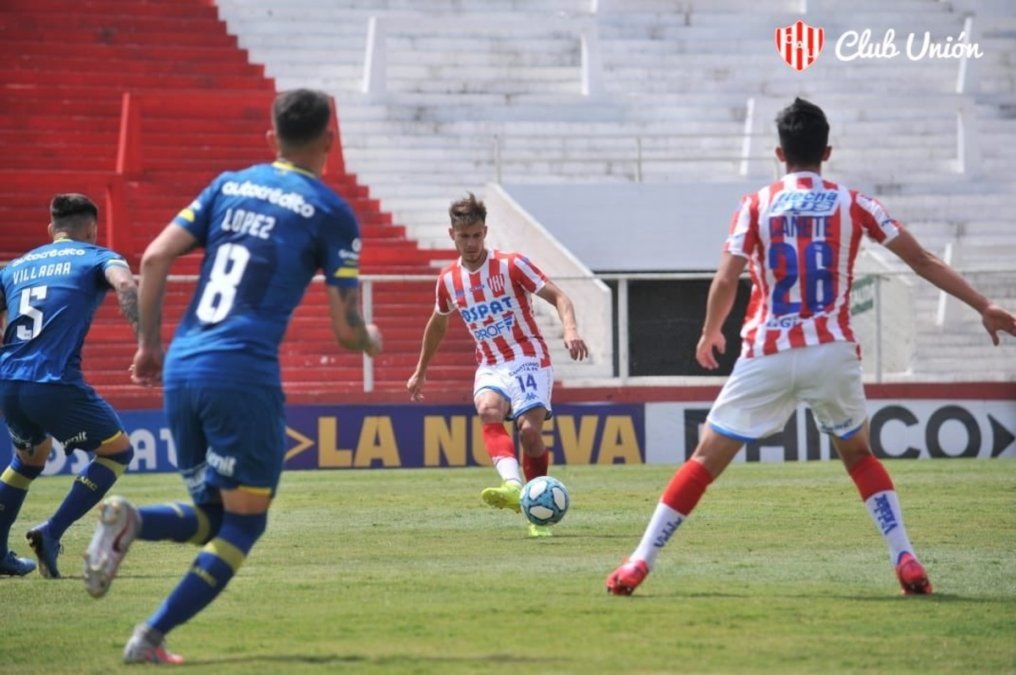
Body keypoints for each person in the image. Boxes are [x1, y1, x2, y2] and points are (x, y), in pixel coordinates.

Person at [606, 98, 1016, 596]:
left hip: (768, 351)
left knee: (704, 460)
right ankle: (903, 555)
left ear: (779, 153)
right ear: (827, 151)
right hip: (832, 350)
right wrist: (983, 305)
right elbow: (923, 260)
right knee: (859, 456)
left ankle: (638, 562)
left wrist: (711, 330)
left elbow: (726, 277)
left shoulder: (756, 204)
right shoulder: (856, 203)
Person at [83, 89, 382, 664]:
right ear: (330, 140)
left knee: (212, 519)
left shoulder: (228, 185)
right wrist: (369, 336)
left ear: (271, 138)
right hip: (242, 375)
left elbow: (151, 259)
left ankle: (134, 522)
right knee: (245, 526)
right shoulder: (330, 211)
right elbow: (348, 333)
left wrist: (149, 346)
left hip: (183, 369)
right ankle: (149, 636)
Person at [406, 193, 589, 537]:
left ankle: (537, 518)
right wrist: (421, 370)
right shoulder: (447, 280)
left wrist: (571, 329)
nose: (471, 243)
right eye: (464, 237)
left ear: (485, 232)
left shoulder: (511, 264)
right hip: (491, 362)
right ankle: (512, 487)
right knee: (488, 409)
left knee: (529, 432)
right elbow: (438, 323)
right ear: (452, 235)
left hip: (528, 357)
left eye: (477, 235)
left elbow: (559, 297)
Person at [0, 193, 138, 578]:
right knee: (117, 452)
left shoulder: (15, 266)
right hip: (53, 381)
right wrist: (146, 340)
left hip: (9, 380)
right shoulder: (97, 256)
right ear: (92, 230)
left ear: (51, 229)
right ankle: (51, 532)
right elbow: (125, 283)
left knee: (29, 459)